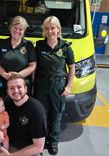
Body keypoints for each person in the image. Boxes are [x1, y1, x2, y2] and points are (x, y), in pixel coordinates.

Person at [33, 16, 75, 155]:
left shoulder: (66, 48)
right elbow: (34, 68)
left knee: (56, 115)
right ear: (44, 31)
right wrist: (32, 86)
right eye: (47, 28)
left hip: (59, 85)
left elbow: (72, 69)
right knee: (41, 115)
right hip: (42, 85)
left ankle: (53, 142)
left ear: (58, 30)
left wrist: (68, 86)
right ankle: (41, 142)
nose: (50, 31)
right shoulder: (39, 46)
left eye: (53, 28)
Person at [0, 74, 47, 156]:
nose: (15, 91)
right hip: (7, 144)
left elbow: (38, 147)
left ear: (26, 89)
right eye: (11, 88)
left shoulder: (36, 109)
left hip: (28, 151)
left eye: (19, 87)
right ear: (7, 91)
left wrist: (11, 155)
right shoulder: (5, 102)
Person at [0, 16, 37, 97]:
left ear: (24, 31)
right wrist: (4, 74)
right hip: (4, 83)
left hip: (22, 85)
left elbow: (33, 65)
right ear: (11, 28)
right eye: (15, 28)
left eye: (21, 29)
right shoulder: (2, 43)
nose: (17, 31)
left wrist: (18, 76)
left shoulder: (28, 45)